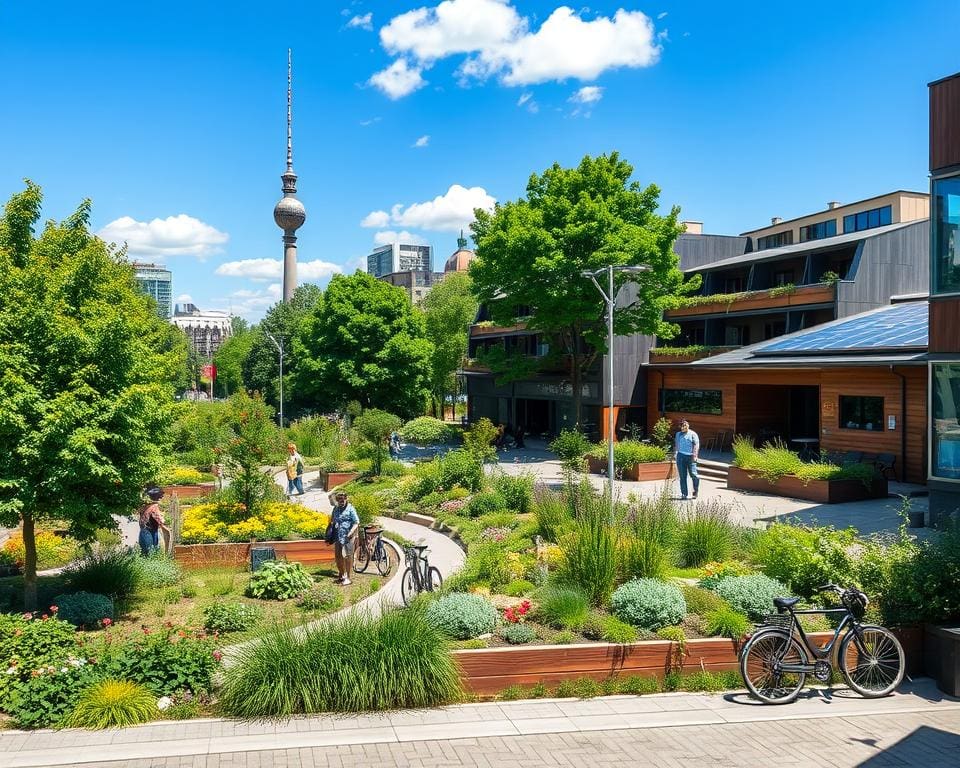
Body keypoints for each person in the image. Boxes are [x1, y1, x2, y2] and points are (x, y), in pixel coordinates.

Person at [327, 490, 359, 585]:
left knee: (347, 556)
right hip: (338, 536)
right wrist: (331, 529)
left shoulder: (350, 509)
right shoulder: (336, 509)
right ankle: (341, 574)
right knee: (338, 556)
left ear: (346, 499)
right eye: (339, 499)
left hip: (347, 537)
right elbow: (332, 520)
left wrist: (350, 533)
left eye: (343, 498)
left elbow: (356, 522)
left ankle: (348, 577)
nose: (342, 500)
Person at [138, 487, 169, 556]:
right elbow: (158, 518)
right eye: (161, 496)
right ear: (158, 497)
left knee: (146, 552)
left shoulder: (145, 506)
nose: (162, 498)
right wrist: (165, 523)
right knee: (150, 552)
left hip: (145, 531)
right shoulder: (154, 506)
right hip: (149, 532)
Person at [674, 419, 700, 500]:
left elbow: (696, 445)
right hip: (681, 456)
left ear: (688, 425)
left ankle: (695, 491)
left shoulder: (693, 434)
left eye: (685, 425)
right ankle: (684, 494)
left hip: (690, 457)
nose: (683, 428)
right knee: (682, 476)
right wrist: (675, 453)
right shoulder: (678, 434)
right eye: (682, 426)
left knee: (694, 474)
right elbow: (676, 444)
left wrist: (695, 456)